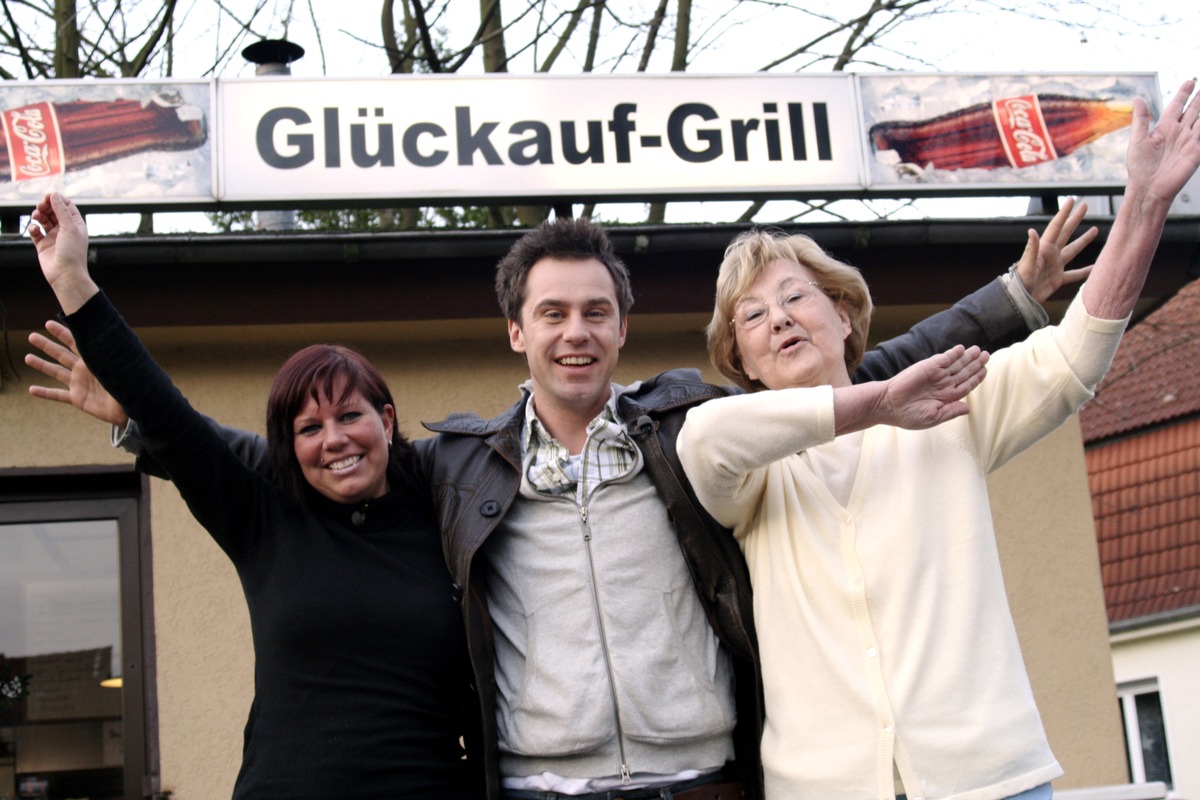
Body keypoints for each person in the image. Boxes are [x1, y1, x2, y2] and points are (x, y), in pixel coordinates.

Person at [29, 194, 1086, 800]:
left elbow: (855, 375)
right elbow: (276, 459)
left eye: (594, 310)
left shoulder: (689, 430)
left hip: (704, 780)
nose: (574, 330)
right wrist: (135, 418)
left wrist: (1010, 302)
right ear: (516, 333)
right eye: (551, 312)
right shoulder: (458, 466)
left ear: (622, 328)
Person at [675, 81, 1200, 800]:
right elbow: (705, 437)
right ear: (739, 358)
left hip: (989, 781)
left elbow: (1074, 358)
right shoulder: (755, 470)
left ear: (840, 309)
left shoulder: (947, 407)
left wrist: (1144, 204)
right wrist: (881, 402)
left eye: (795, 296)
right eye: (751, 315)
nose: (778, 319)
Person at [26, 193, 483, 800]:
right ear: (289, 447)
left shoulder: (453, 518)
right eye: (309, 428)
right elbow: (172, 415)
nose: (335, 440)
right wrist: (71, 280)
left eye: (350, 416)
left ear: (388, 419)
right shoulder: (262, 519)